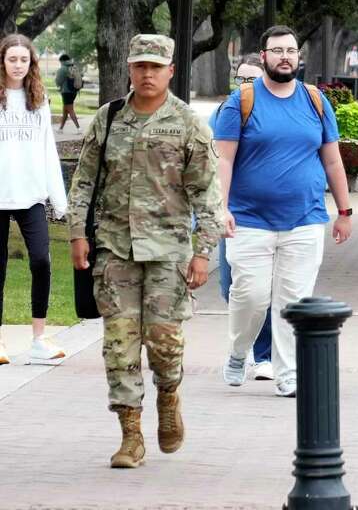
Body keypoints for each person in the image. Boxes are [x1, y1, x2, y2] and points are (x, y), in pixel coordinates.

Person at [67, 34, 224, 469]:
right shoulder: (109, 117)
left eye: (156, 67)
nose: (147, 74)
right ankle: (130, 435)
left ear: (171, 70)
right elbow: (84, 180)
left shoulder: (188, 122)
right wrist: (77, 234)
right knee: (118, 346)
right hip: (114, 249)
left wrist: (203, 251)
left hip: (168, 251)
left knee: (164, 343)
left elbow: (207, 193)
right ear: (130, 70)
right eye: (140, 66)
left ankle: (169, 396)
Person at [213, 25, 353, 398]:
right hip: (249, 220)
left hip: (304, 220)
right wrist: (220, 209)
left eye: (291, 50)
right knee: (251, 296)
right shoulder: (240, 102)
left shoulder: (315, 101)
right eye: (277, 51)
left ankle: (287, 371)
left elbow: (333, 161)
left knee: (293, 300)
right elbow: (223, 161)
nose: (285, 57)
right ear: (264, 58)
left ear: (299, 57)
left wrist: (345, 210)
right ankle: (239, 352)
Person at [0, 34, 68, 366]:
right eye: (11, 59)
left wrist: (59, 200)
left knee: (41, 260)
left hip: (31, 196)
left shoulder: (39, 101)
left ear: (31, 63)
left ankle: (39, 337)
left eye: (23, 60)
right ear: (2, 61)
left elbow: (47, 151)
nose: (17, 65)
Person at [208, 54, 272, 382]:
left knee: (262, 289)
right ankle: (241, 346)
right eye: (241, 79)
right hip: (229, 212)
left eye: (252, 80)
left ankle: (263, 356)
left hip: (263, 217)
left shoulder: (272, 113)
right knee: (230, 286)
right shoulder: (223, 113)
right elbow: (208, 163)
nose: (246, 86)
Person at [54, 52, 83, 130]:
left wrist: (58, 84)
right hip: (74, 91)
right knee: (65, 110)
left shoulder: (63, 69)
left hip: (66, 92)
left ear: (62, 61)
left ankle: (78, 128)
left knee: (70, 110)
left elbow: (58, 81)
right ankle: (61, 129)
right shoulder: (74, 67)